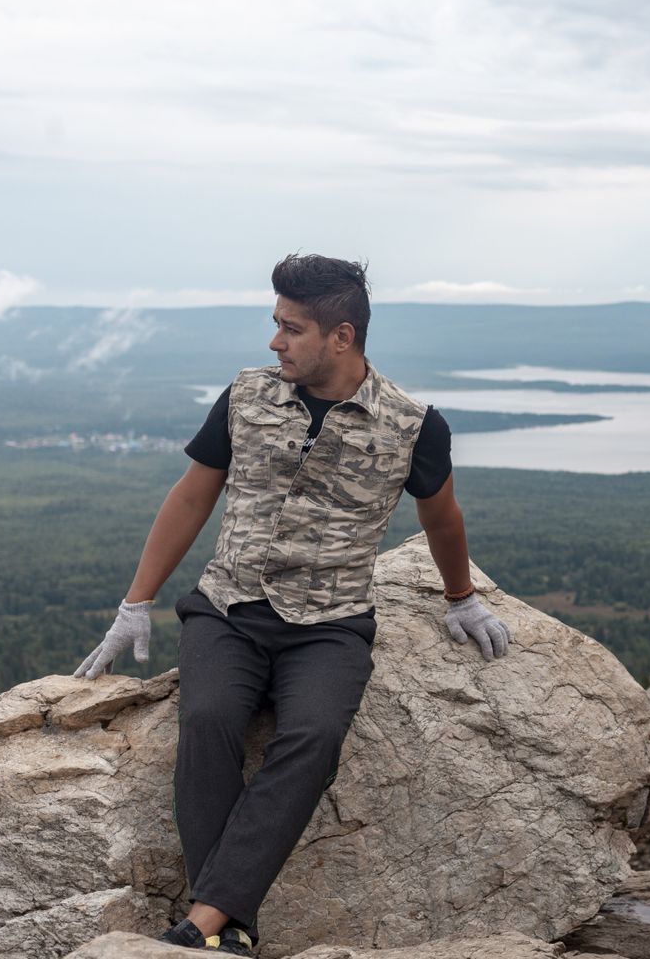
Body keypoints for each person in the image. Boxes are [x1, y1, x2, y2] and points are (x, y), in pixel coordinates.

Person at [72, 253, 513, 956]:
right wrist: (137, 601)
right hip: (228, 609)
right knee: (210, 721)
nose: (274, 342)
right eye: (275, 325)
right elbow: (193, 494)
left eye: (290, 328)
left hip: (330, 625)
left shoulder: (412, 424)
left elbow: (442, 517)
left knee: (312, 739)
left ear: (341, 336)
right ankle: (224, 924)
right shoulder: (246, 396)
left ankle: (206, 923)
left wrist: (461, 597)